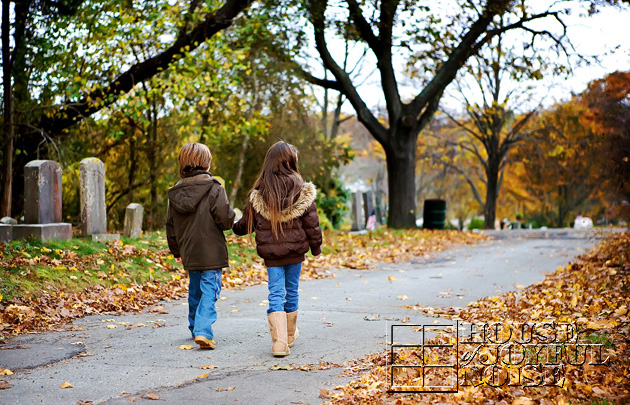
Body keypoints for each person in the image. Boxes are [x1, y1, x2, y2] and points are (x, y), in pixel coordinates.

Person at [233, 141, 322, 357]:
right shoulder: (301, 189)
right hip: (295, 253)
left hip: (272, 256)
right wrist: (316, 247)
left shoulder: (260, 191)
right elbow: (312, 223)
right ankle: (289, 335)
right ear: (291, 162)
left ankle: (280, 343)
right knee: (291, 290)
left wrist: (234, 225)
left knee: (275, 293)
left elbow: (246, 224)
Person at [166, 143, 235, 349]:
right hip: (211, 251)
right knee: (210, 290)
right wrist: (232, 218)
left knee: (195, 290)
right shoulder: (214, 188)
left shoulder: (175, 193)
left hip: (189, 250)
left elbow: (170, 225)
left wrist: (176, 250)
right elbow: (224, 219)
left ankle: (194, 325)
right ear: (206, 163)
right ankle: (203, 331)